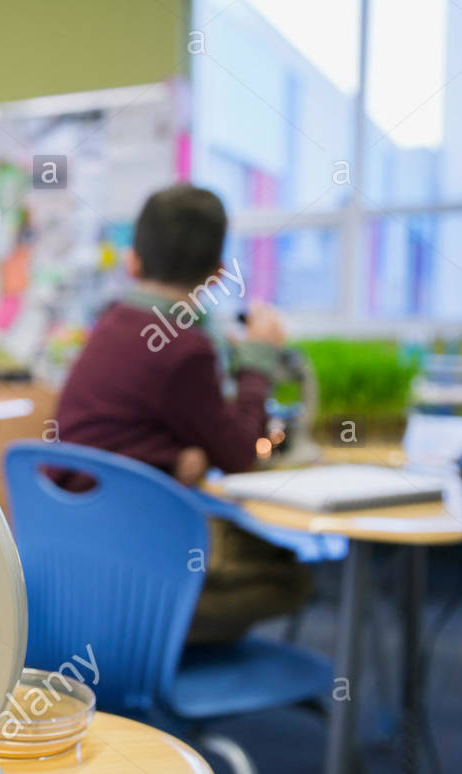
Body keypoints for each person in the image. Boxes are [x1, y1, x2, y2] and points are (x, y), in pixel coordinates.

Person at [54, 183, 308, 644]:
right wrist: (257, 361)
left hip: (74, 558)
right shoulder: (185, 348)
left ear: (134, 259)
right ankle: (160, 655)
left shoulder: (111, 323)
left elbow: (113, 431)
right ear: (216, 275)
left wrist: (167, 458)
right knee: (291, 575)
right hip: (131, 567)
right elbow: (240, 455)